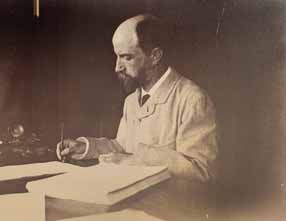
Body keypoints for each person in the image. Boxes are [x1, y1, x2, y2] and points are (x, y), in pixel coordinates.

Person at [57, 14, 218, 183]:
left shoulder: (193, 99)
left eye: (127, 57)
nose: (117, 67)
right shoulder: (132, 101)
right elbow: (123, 147)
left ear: (155, 56)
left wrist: (135, 161)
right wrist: (86, 148)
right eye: (117, 56)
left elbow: (201, 170)